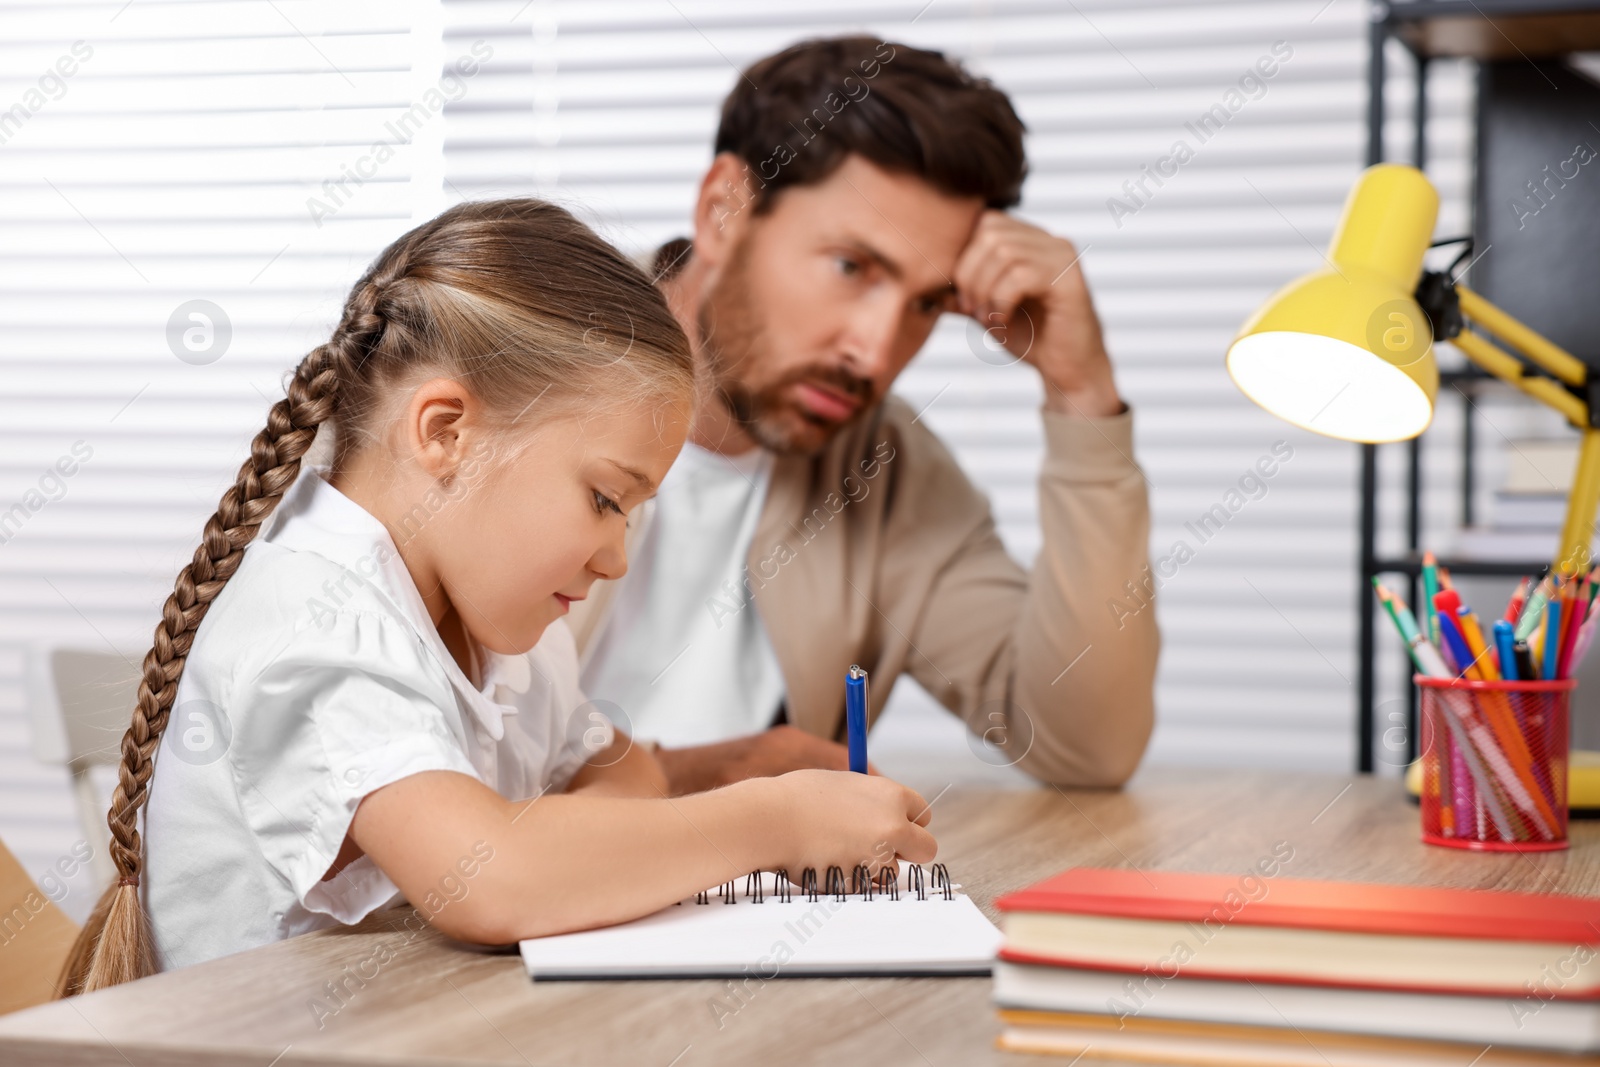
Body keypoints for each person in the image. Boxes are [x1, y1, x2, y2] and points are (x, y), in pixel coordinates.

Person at [58, 199, 935, 993]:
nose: (616, 558)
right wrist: (769, 821)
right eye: (604, 498)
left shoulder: (506, 623)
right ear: (446, 432)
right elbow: (490, 876)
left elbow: (613, 770)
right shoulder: (317, 622)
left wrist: (598, 825)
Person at [574, 36, 1160, 794]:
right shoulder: (517, 362)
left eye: (925, 302)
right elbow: (410, 763)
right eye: (853, 267)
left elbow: (1087, 745)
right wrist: (701, 774)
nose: (877, 352)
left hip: (749, 908)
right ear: (724, 211)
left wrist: (1082, 394)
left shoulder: (882, 468)